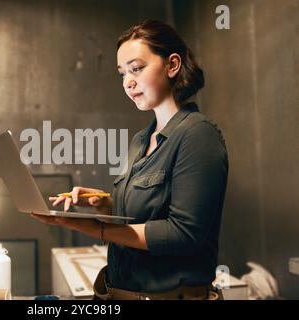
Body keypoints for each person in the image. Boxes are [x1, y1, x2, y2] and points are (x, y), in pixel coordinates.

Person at [31, 19, 228, 300]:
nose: (128, 82)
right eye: (122, 74)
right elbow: (145, 212)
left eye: (136, 68)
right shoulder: (139, 141)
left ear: (172, 65)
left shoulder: (198, 135)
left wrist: (91, 227)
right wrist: (103, 203)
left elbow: (183, 233)